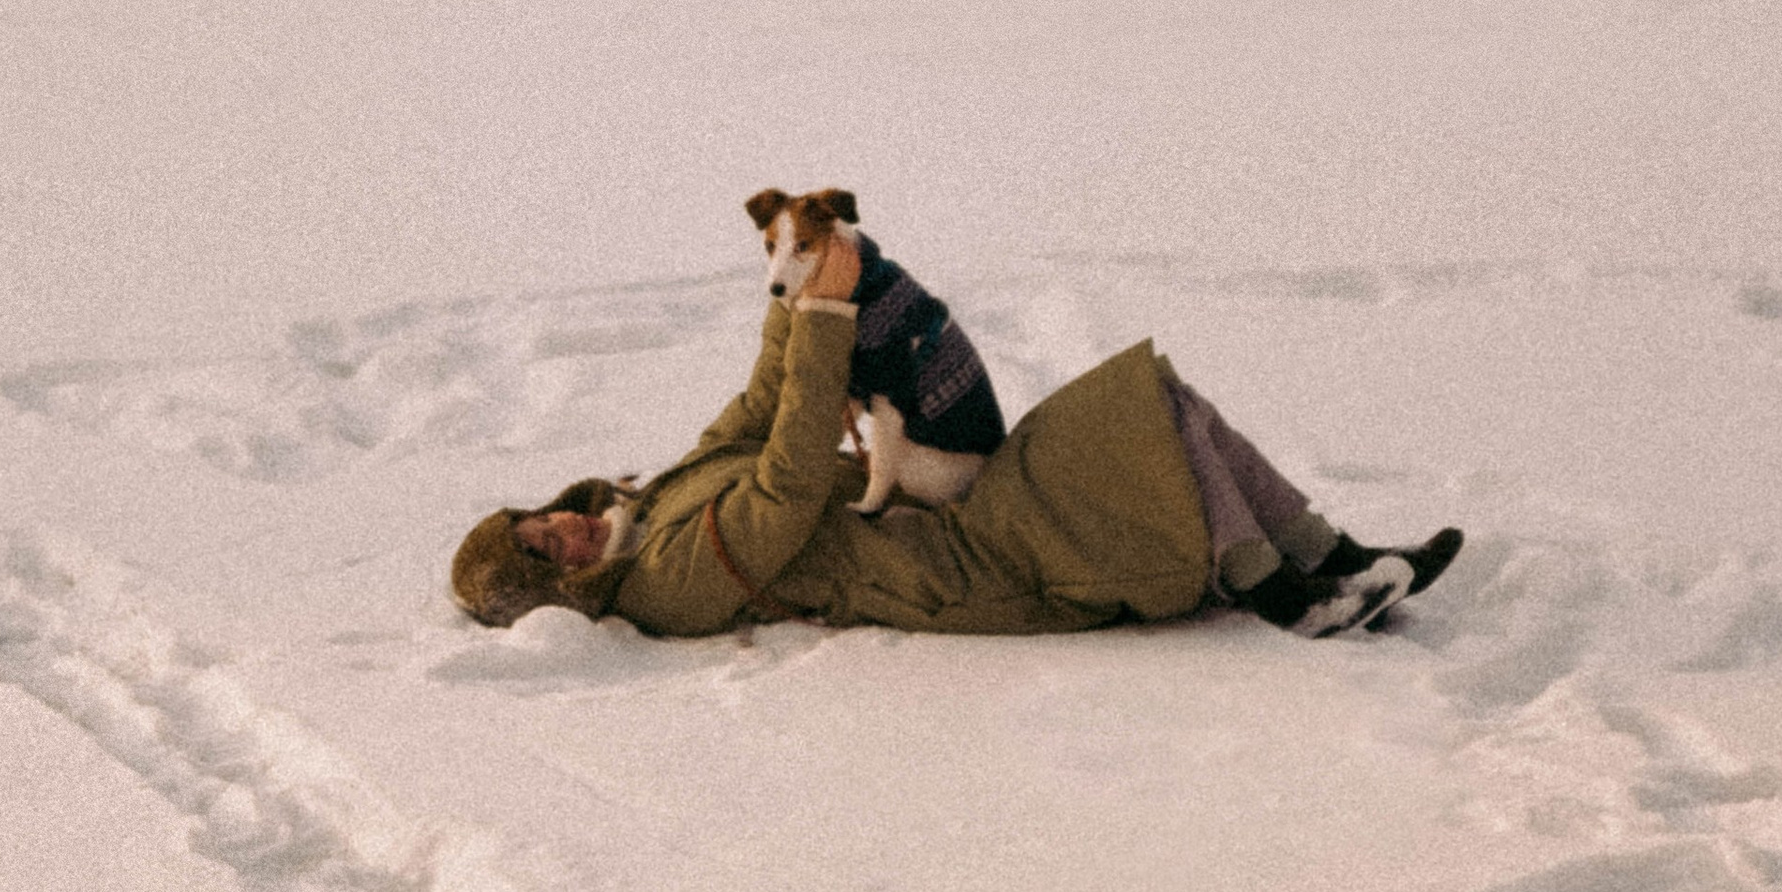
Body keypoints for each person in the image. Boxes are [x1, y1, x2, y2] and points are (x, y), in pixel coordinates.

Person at [450, 225, 1460, 642]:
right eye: (547, 553)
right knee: (1139, 418)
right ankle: (1282, 593)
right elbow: (790, 479)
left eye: (538, 520)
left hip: (956, 507)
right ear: (559, 592)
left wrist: (802, 280)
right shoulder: (664, 584)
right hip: (967, 562)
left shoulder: (647, 501)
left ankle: (1331, 555)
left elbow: (761, 407)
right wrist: (834, 324)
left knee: (1158, 395)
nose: (562, 527)